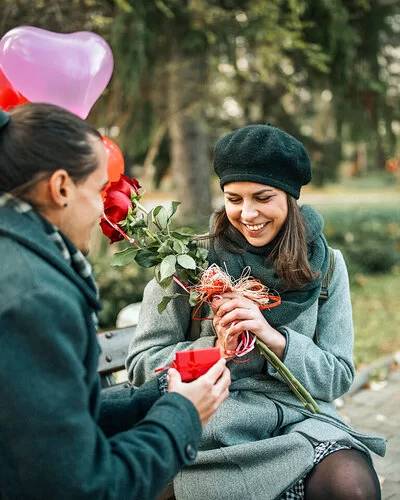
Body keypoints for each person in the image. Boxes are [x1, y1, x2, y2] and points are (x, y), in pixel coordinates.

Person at [126, 124, 386, 500]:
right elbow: (140, 366)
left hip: (299, 424)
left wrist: (275, 340)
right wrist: (216, 350)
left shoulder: (327, 265)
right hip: (211, 429)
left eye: (262, 197)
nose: (247, 213)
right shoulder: (187, 262)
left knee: (352, 486)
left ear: (289, 198)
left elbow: (339, 376)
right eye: (234, 199)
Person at [0, 103, 230, 500]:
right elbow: (86, 485)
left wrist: (155, 396)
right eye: (99, 192)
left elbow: (47, 420)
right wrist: (182, 416)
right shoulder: (35, 298)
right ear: (61, 188)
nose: (103, 212)